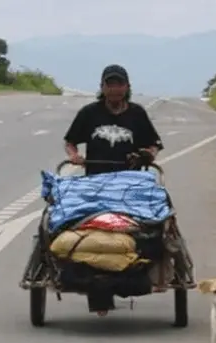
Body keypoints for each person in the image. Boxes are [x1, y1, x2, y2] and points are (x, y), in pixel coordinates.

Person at [61, 64, 165, 316]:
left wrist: (146, 155)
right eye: (110, 84)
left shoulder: (137, 114)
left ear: (127, 88)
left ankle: (148, 270)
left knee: (153, 224)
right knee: (81, 226)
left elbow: (155, 144)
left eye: (119, 84)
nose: (114, 89)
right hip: (95, 182)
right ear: (102, 88)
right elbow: (69, 141)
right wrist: (74, 156)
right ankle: (96, 287)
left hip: (129, 182)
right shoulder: (89, 113)